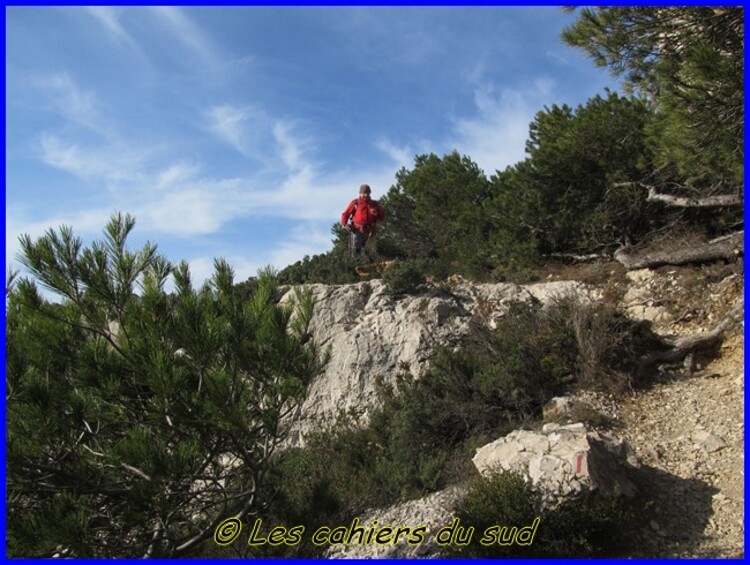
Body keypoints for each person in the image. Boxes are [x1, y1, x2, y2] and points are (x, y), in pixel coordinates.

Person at [341, 184, 386, 259]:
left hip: (370, 232)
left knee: (370, 252)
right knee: (355, 251)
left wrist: (376, 213)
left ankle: (370, 268)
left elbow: (382, 217)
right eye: (363, 193)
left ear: (369, 193)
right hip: (357, 231)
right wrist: (345, 224)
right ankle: (354, 267)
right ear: (360, 193)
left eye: (367, 193)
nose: (365, 195)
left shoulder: (375, 204)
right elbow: (345, 214)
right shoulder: (355, 203)